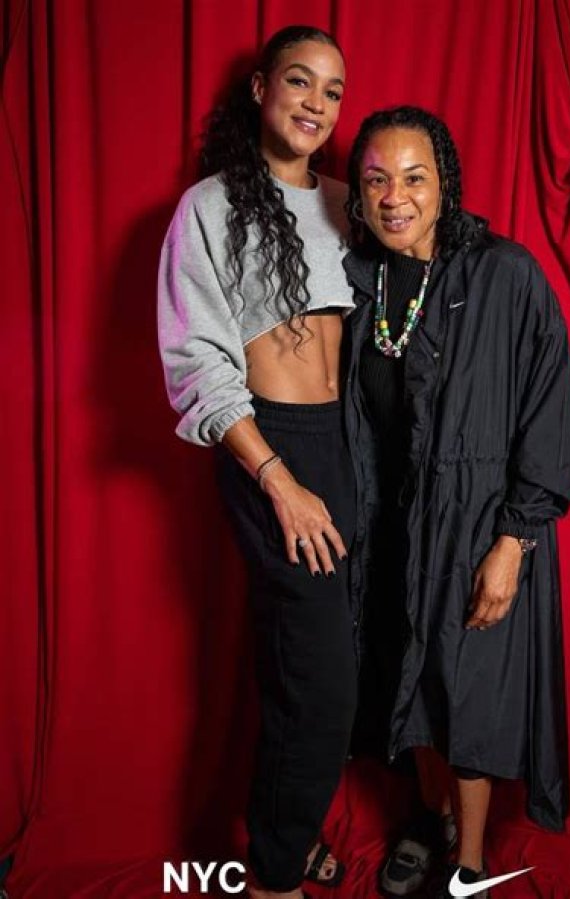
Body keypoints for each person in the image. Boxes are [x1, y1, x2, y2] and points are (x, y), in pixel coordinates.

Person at [343, 107, 570, 897]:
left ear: (444, 184)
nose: (395, 197)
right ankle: (430, 818)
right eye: (377, 179)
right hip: (390, 520)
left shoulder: (504, 274)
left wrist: (514, 540)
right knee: (407, 674)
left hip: (478, 524)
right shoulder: (359, 280)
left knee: (469, 689)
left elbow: (551, 413)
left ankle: (471, 861)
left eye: (414, 178)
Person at [157, 26, 357, 899]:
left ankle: (292, 833)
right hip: (273, 446)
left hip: (349, 442)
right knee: (317, 680)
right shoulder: (209, 208)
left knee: (324, 669)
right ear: (260, 87)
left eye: (333, 91)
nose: (316, 103)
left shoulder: (351, 201)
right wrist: (278, 480)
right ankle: (274, 879)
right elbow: (197, 360)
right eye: (300, 82)